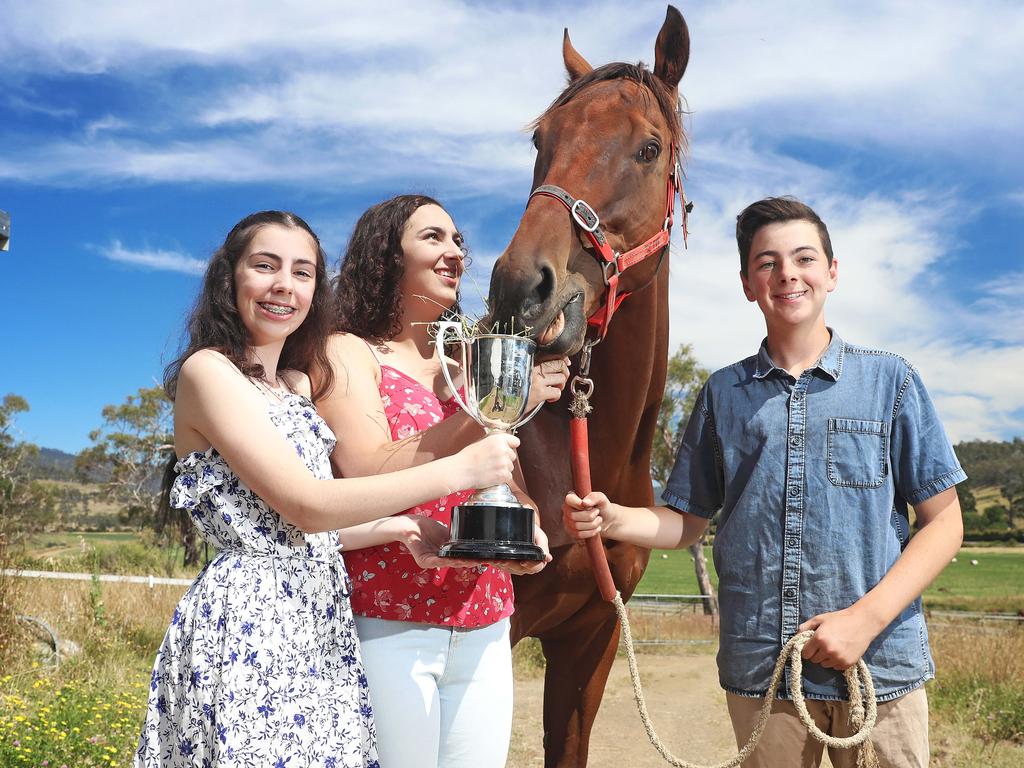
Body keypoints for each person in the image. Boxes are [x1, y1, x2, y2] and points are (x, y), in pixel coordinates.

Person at [564, 197, 965, 768]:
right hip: (765, 671)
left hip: (880, 666)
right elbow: (686, 523)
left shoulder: (891, 381)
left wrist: (862, 621)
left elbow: (944, 523)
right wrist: (614, 518)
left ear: (832, 272)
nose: (787, 274)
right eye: (767, 263)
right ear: (748, 284)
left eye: (804, 258)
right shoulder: (722, 395)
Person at [135, 211, 520, 768]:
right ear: (229, 278)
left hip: (321, 620)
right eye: (265, 266)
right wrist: (460, 470)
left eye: (303, 272)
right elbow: (305, 504)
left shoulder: (292, 385)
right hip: (251, 622)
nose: (284, 286)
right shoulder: (209, 372)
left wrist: (398, 527)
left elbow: (296, 530)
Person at [315, 194, 568, 768]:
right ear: (385, 256)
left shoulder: (469, 368)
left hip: (484, 619)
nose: (454, 252)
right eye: (432, 238)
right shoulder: (350, 352)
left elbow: (508, 483)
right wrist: (481, 408)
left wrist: (526, 534)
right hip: (387, 618)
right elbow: (366, 468)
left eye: (457, 241)